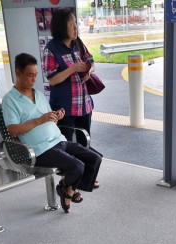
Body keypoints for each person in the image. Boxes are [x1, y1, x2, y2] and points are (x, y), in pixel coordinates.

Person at [2, 53, 102, 213]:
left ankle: (68, 189)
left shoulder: (39, 94)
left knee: (94, 158)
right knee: (77, 166)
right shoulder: (10, 100)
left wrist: (56, 116)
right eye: (29, 75)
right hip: (40, 149)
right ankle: (69, 190)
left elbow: (49, 119)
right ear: (18, 73)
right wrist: (39, 120)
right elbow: (12, 130)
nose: (33, 80)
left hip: (58, 140)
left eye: (35, 75)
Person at [42, 8, 100, 188]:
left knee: (85, 141)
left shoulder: (79, 43)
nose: (76, 26)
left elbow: (92, 63)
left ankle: (87, 177)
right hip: (64, 107)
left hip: (83, 104)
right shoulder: (51, 49)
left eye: (76, 22)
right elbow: (52, 79)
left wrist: (89, 71)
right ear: (61, 26)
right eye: (71, 23)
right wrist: (73, 69)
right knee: (65, 144)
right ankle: (67, 180)